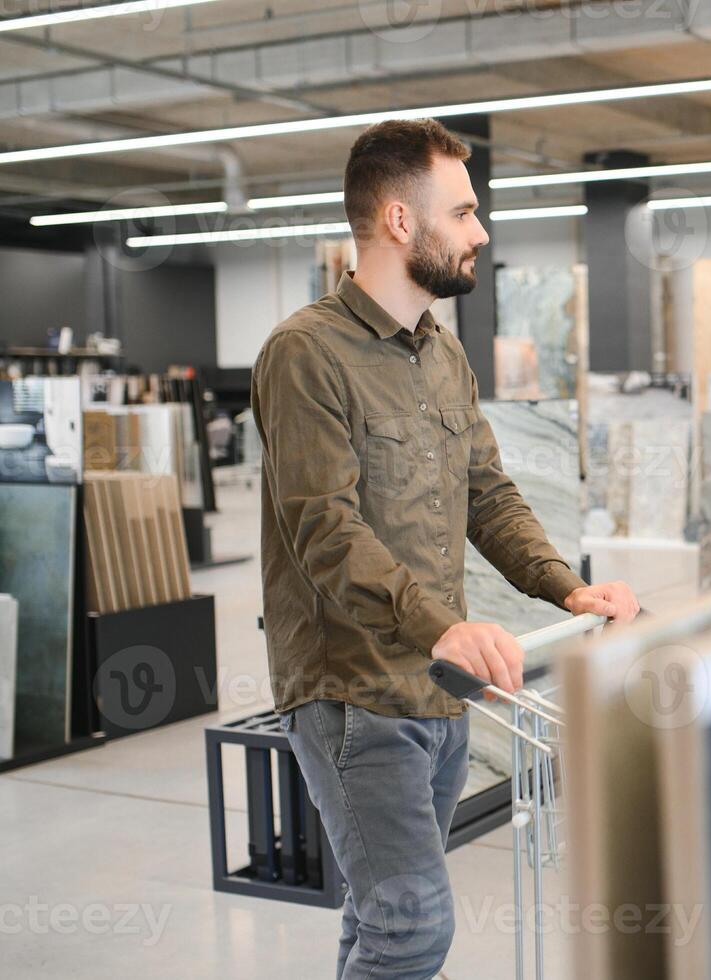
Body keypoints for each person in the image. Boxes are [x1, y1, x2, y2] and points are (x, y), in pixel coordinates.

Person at [251, 118, 639, 978]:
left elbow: (487, 497)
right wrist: (441, 629)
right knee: (412, 929)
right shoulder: (304, 355)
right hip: (355, 695)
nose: (480, 231)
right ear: (399, 221)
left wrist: (564, 590)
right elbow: (325, 531)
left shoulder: (442, 355)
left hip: (437, 690)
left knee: (378, 914)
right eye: (462, 212)